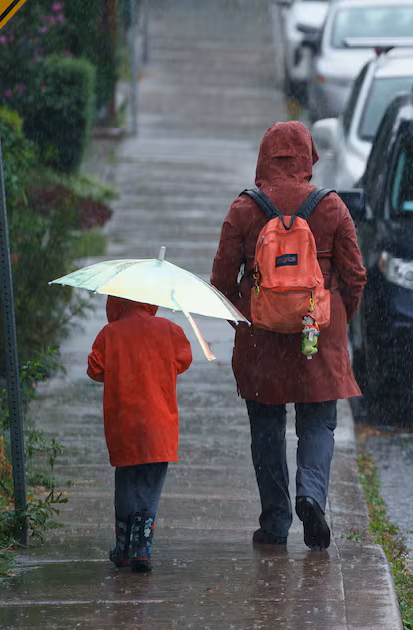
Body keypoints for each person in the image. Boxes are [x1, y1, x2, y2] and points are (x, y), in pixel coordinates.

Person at [210, 121, 367, 550]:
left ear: (264, 157)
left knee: (266, 429)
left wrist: (246, 321)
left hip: (262, 339)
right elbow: (354, 276)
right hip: (317, 336)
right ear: (307, 158)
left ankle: (276, 522)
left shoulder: (244, 210)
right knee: (317, 423)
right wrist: (333, 320)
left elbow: (220, 280)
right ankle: (311, 495)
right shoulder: (332, 208)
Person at [88, 296, 193, 573]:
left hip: (124, 424)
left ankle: (123, 547)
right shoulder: (169, 330)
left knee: (126, 483)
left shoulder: (109, 335)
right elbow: (184, 360)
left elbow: (94, 368)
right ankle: (143, 548)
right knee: (149, 485)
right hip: (159, 426)